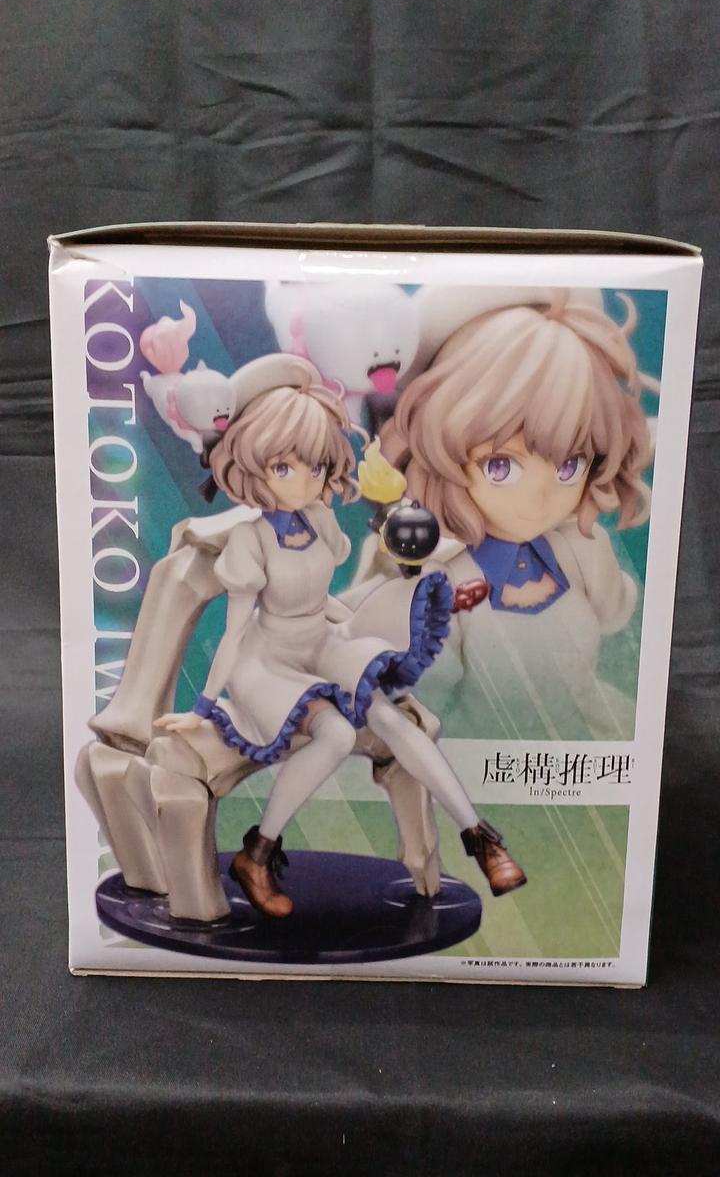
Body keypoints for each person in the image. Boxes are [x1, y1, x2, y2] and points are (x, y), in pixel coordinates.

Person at [154, 353, 526, 916]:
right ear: (251, 465)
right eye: (284, 467)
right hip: (267, 660)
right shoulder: (251, 540)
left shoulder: (320, 522)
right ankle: (257, 854)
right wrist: (203, 708)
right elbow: (233, 633)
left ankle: (481, 838)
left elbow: (320, 601)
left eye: (315, 466)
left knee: (389, 719)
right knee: (332, 733)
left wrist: (372, 618)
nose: (304, 479)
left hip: (318, 643)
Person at [371, 291, 654, 741]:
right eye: (500, 466)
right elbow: (427, 700)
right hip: (481, 757)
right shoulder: (442, 583)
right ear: (442, 455)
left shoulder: (581, 550)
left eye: (569, 465)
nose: (541, 496)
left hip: (586, 741)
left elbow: (614, 615)